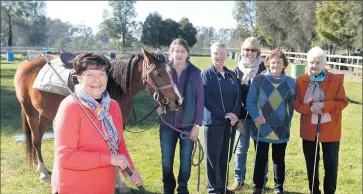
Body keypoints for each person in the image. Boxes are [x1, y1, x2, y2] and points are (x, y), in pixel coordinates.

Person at [51, 53, 143, 194]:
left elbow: (119, 145)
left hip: (106, 186)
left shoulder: (113, 106)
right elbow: (67, 158)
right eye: (90, 74)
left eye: (101, 74)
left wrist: (130, 171)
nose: (97, 80)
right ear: (80, 77)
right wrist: (110, 159)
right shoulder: (70, 107)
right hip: (75, 187)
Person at [293, 46, 348, 194]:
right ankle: (314, 190)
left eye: (318, 63)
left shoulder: (335, 80)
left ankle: (329, 191)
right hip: (309, 130)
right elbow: (296, 104)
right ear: (307, 63)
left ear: (324, 64)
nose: (314, 66)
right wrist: (309, 108)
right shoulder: (300, 80)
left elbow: (343, 102)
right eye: (311, 62)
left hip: (331, 130)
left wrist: (324, 106)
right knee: (311, 163)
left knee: (331, 164)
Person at [156, 38, 204, 194]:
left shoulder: (195, 73)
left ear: (187, 53)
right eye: (176, 51)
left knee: (185, 163)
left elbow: (200, 100)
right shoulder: (164, 70)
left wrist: (196, 126)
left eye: (183, 51)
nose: (179, 54)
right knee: (166, 162)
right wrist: (158, 105)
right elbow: (155, 89)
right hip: (167, 125)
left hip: (188, 125)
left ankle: (183, 189)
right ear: (171, 52)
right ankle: (168, 189)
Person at [246, 49, 296, 194]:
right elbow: (250, 101)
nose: (275, 65)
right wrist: (256, 116)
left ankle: (278, 187)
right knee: (260, 158)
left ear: (284, 64)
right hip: (261, 126)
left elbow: (292, 105)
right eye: (273, 62)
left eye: (279, 62)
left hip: (281, 127)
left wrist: (287, 121)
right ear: (268, 63)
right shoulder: (259, 80)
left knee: (279, 160)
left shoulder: (291, 82)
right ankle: (258, 186)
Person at [202, 42, 242, 194]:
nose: (219, 56)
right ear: (211, 55)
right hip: (213, 123)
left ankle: (222, 188)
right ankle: (213, 189)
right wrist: (223, 114)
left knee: (225, 156)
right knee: (213, 157)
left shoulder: (231, 74)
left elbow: (238, 96)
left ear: (226, 55)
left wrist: (235, 115)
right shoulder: (206, 74)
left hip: (229, 124)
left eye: (221, 53)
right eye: (215, 53)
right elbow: (206, 99)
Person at [230, 36, 268, 191]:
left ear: (258, 51)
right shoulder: (236, 70)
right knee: (241, 148)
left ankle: (261, 180)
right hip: (242, 116)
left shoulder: (264, 70)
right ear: (242, 51)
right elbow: (233, 95)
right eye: (246, 49)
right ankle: (238, 179)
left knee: (261, 148)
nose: (249, 53)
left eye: (253, 50)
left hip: (260, 116)